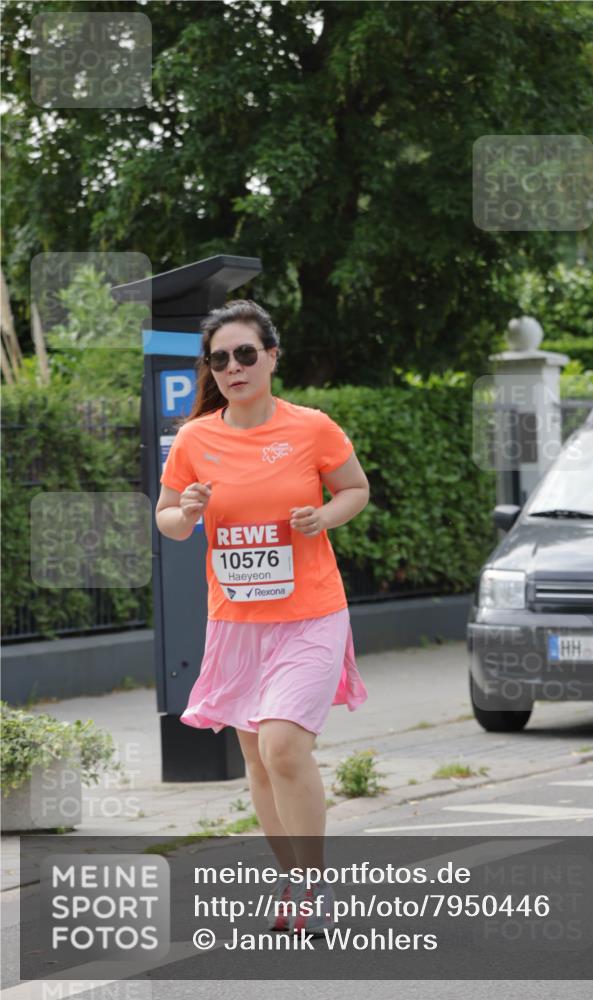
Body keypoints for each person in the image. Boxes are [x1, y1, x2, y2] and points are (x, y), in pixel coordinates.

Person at [155, 299, 370, 934]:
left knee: (282, 746)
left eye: (246, 353)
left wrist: (323, 517)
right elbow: (167, 519)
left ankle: (315, 883)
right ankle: (294, 884)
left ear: (272, 356)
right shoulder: (196, 438)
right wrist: (187, 512)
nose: (233, 366)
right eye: (219, 359)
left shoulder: (312, 428)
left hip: (311, 613)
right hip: (238, 620)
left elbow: (354, 490)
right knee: (256, 759)